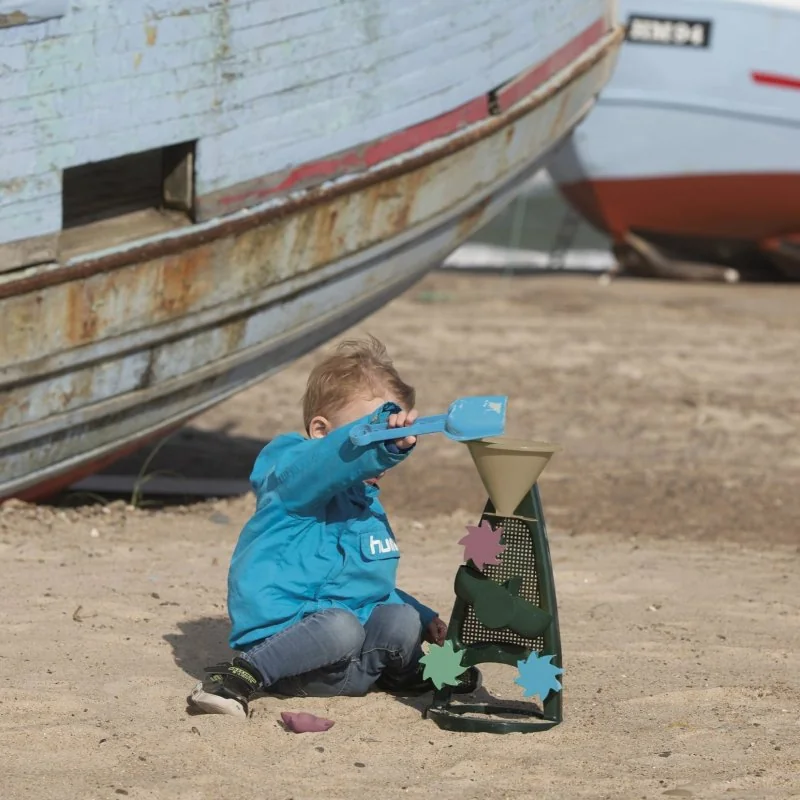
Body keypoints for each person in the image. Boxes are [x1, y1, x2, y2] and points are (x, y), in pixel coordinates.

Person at [188, 336, 480, 718]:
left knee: (399, 618)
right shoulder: (292, 479)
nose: (385, 450)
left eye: (393, 435)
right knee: (340, 626)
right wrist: (375, 444)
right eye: (376, 431)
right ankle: (243, 675)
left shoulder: (365, 506)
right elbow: (326, 464)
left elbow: (368, 585)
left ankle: (407, 673)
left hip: (349, 669)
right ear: (322, 431)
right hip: (287, 655)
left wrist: (423, 616)